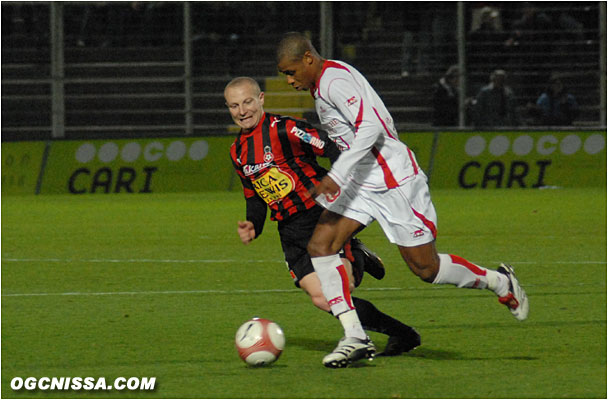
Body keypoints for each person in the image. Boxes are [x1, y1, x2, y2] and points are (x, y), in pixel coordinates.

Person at [276, 32, 528, 368]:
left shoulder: (335, 80)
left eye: (291, 71)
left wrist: (336, 174)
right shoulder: (321, 85)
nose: (289, 79)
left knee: (426, 268)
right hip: (361, 181)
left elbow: (371, 128)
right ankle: (354, 335)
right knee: (320, 245)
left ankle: (499, 281)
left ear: (308, 58)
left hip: (393, 179)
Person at [225, 76, 421, 360]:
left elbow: (332, 147)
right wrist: (253, 224)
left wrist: (340, 183)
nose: (242, 111)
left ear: (261, 100)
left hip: (321, 215)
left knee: (341, 286)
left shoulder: (286, 129)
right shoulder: (238, 151)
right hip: (290, 231)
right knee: (323, 298)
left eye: (247, 102)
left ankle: (357, 334)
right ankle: (403, 334)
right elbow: (255, 195)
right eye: (234, 106)